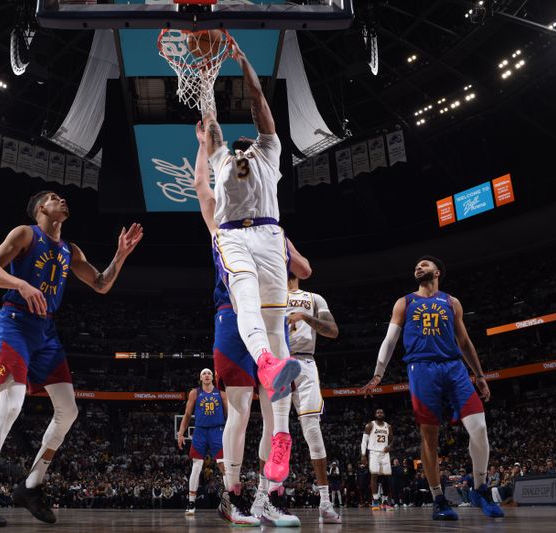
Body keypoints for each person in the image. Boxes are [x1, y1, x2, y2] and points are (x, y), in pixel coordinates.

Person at [0, 191, 143, 527]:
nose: (63, 201)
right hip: (15, 323)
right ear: (41, 208)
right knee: (11, 404)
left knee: (69, 410)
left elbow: (101, 284)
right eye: (55, 198)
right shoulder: (25, 233)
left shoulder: (69, 250)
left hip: (46, 333)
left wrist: (120, 255)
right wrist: (22, 285)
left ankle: (31, 486)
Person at [193, 113, 311, 527]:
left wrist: (284, 247)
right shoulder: (222, 224)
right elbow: (201, 189)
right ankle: (232, 496)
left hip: (268, 318)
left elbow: (306, 270)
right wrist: (204, 145)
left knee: (274, 405)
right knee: (240, 410)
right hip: (231, 318)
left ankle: (266, 497)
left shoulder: (270, 227)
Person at [198, 37, 301, 488]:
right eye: (233, 145)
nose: (239, 146)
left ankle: (280, 436)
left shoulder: (269, 150)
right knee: (244, 297)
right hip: (234, 234)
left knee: (278, 329)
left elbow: (259, 102)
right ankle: (264, 359)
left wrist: (242, 63)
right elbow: (212, 124)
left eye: (245, 143)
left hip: (270, 233)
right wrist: (205, 77)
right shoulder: (222, 156)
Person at [359, 256, 504, 520]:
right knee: (430, 437)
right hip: (421, 369)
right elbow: (390, 340)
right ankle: (438, 499)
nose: (418, 267)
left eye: (424, 264)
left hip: (454, 367)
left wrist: (479, 374)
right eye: (416, 265)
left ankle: (480, 487)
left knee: (480, 427)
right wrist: (378, 374)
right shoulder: (405, 302)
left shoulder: (451, 302)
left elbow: (464, 341)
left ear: (437, 272)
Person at [278, 273, 341, 523]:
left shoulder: (314, 298)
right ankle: (266, 498)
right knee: (274, 432)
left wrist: (304, 316)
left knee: (312, 430)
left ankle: (325, 502)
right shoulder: (270, 294)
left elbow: (333, 331)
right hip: (277, 363)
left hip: (305, 362)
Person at [176, 368, 227, 516]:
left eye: (209, 373)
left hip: (217, 430)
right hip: (200, 431)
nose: (206, 375)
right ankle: (191, 502)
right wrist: (180, 433)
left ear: (213, 377)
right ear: (200, 378)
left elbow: (230, 415)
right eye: (204, 373)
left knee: (223, 464)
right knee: (196, 466)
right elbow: (187, 414)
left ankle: (232, 499)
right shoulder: (195, 393)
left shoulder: (221, 393)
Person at [361, 408, 393, 511]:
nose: (380, 414)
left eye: (381, 412)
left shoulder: (388, 426)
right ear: (375, 414)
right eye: (378, 412)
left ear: (383, 414)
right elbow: (364, 441)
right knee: (374, 475)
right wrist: (363, 455)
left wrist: (390, 447)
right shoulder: (370, 425)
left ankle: (384, 501)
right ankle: (375, 500)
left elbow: (392, 440)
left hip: (384, 453)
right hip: (374, 453)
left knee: (386, 477)